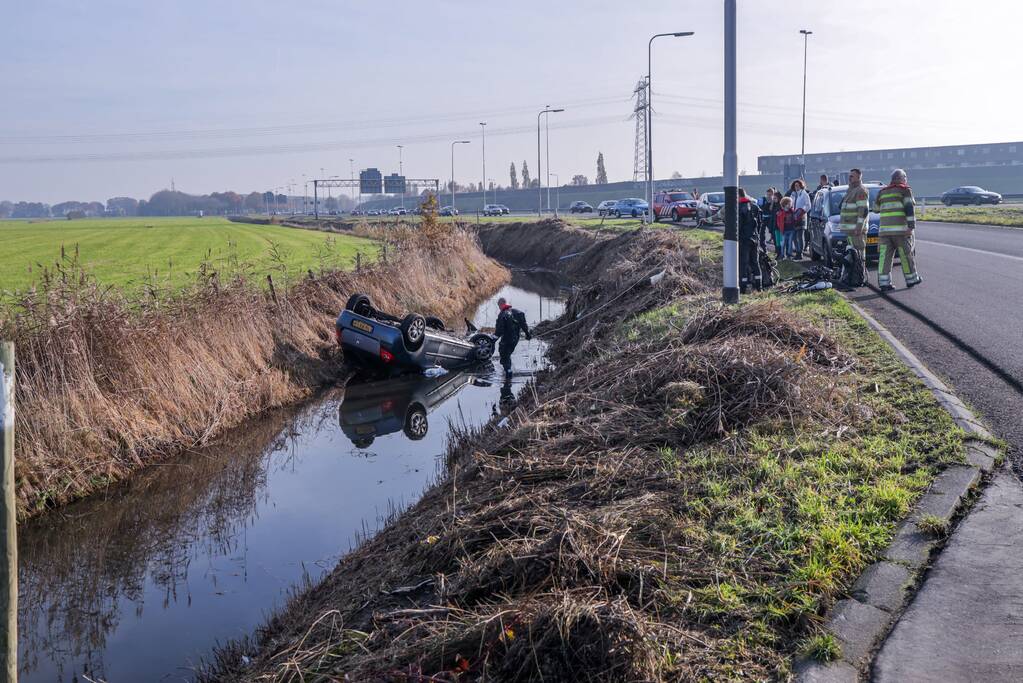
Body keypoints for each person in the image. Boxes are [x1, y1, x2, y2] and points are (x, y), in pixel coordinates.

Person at [873, 169, 922, 292]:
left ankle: (884, 283)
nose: (906, 181)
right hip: (901, 232)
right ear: (902, 178)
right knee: (906, 256)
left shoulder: (882, 192)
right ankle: (911, 279)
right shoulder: (905, 190)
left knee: (884, 258)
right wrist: (911, 227)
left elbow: (875, 209)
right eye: (905, 178)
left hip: (884, 232)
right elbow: (909, 209)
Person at [838, 167, 869, 284]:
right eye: (849, 176)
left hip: (856, 230)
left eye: (852, 176)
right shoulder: (850, 190)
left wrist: (859, 227)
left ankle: (860, 277)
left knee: (859, 254)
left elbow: (863, 211)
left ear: (859, 177)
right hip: (849, 230)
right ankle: (853, 277)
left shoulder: (861, 191)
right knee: (852, 255)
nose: (849, 178)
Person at [494, 297, 530, 376]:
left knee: (504, 355)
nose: (499, 308)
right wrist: (527, 334)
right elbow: (524, 325)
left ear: (500, 304)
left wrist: (494, 338)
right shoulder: (517, 312)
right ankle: (508, 370)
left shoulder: (502, 314)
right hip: (515, 339)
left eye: (499, 306)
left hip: (507, 339)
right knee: (507, 354)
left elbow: (499, 329)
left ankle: (508, 374)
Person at [737, 188, 763, 293]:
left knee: (743, 263)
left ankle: (743, 288)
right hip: (755, 238)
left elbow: (738, 226)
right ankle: (759, 287)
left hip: (744, 240)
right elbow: (760, 224)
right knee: (755, 263)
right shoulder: (755, 207)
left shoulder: (739, 208)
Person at [788, 179, 811, 259]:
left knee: (800, 236)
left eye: (798, 185)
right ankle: (797, 251)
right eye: (795, 185)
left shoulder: (804, 194)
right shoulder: (793, 194)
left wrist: (802, 210)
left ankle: (800, 253)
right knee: (794, 236)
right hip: (794, 218)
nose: (796, 187)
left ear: (801, 186)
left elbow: (808, 205)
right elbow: (790, 204)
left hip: (802, 218)